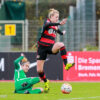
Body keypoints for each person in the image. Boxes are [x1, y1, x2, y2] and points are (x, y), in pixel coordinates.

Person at [37, 8, 75, 92]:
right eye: (56, 17)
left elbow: (58, 31)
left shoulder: (55, 25)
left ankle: (66, 64)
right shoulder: (47, 22)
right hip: (42, 48)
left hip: (51, 47)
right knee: (39, 70)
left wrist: (62, 33)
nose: (57, 18)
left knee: (61, 44)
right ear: (51, 17)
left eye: (58, 17)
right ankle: (46, 82)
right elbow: (47, 25)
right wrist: (59, 23)